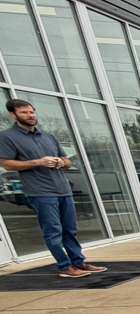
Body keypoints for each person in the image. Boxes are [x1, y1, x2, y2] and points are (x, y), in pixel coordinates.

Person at [0, 99, 107, 278]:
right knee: (53, 231)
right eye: (24, 113)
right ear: (13, 114)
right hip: (40, 191)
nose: (30, 116)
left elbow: (67, 161)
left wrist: (61, 162)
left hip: (63, 189)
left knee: (70, 229)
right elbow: (7, 164)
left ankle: (78, 262)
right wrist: (37, 162)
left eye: (32, 112)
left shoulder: (47, 135)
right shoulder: (8, 137)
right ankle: (64, 266)